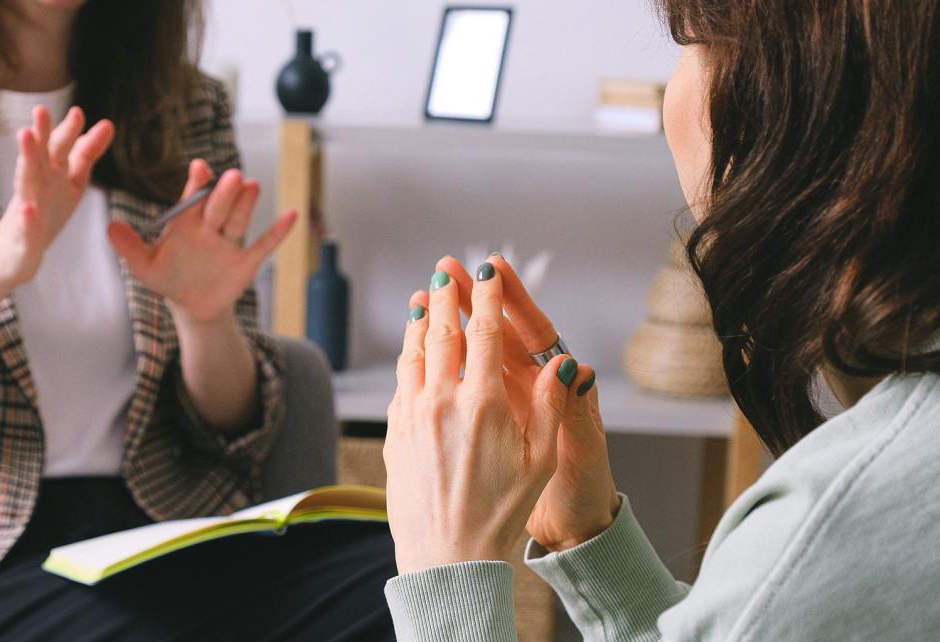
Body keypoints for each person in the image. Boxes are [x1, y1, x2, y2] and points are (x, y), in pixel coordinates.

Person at [382, 0, 940, 639]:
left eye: (690, 42)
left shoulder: (831, 531)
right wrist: (589, 535)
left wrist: (447, 567)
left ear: (799, 98)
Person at [0, 1, 394, 640]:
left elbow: (229, 423)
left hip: (167, 525)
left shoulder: (183, 105)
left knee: (420, 583)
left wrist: (204, 316)